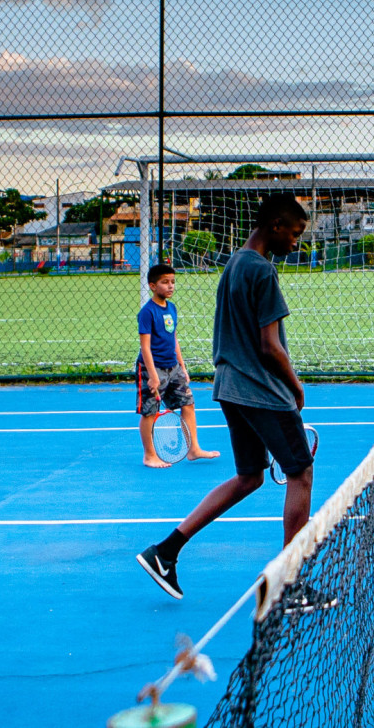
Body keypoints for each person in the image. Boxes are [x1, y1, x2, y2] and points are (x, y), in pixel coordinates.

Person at [137, 194, 323, 606]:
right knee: (301, 474)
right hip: (260, 391)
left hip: (229, 388)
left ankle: (165, 551)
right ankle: (288, 582)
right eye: (294, 234)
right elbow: (270, 345)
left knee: (249, 477)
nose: (296, 243)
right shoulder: (262, 271)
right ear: (275, 225)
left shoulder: (234, 265)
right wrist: (295, 385)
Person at [136, 264, 220, 467]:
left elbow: (174, 339)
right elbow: (145, 347)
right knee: (150, 411)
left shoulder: (171, 308)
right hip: (152, 368)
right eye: (165, 282)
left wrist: (182, 366)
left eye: (173, 282)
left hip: (173, 367)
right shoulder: (147, 312)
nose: (170, 286)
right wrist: (153, 376)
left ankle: (194, 449)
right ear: (153, 286)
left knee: (188, 404)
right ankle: (149, 455)